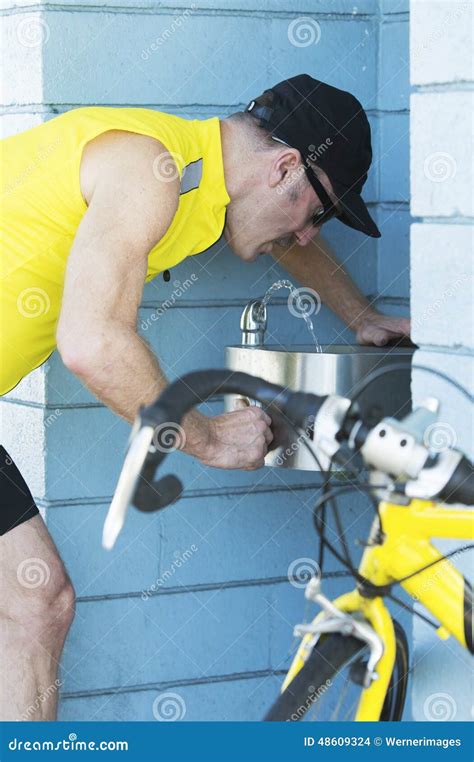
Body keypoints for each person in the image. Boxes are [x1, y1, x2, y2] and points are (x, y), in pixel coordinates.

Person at [0, 74, 410, 720]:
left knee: (37, 602)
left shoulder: (194, 175)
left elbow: (284, 239)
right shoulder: (148, 172)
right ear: (282, 167)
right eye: (319, 212)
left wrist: (358, 316)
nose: (309, 235)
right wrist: (210, 439)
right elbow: (92, 342)